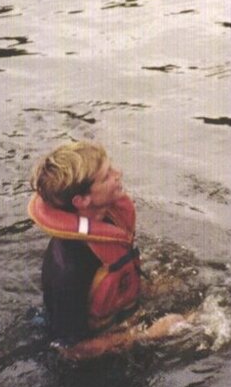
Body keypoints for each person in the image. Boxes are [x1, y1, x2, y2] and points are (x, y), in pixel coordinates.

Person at [28, 140, 192, 361]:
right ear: (82, 200)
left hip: (117, 317)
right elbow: (71, 350)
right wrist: (150, 334)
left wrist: (150, 289)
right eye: (106, 176)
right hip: (86, 371)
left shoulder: (107, 218)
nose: (119, 173)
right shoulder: (69, 270)